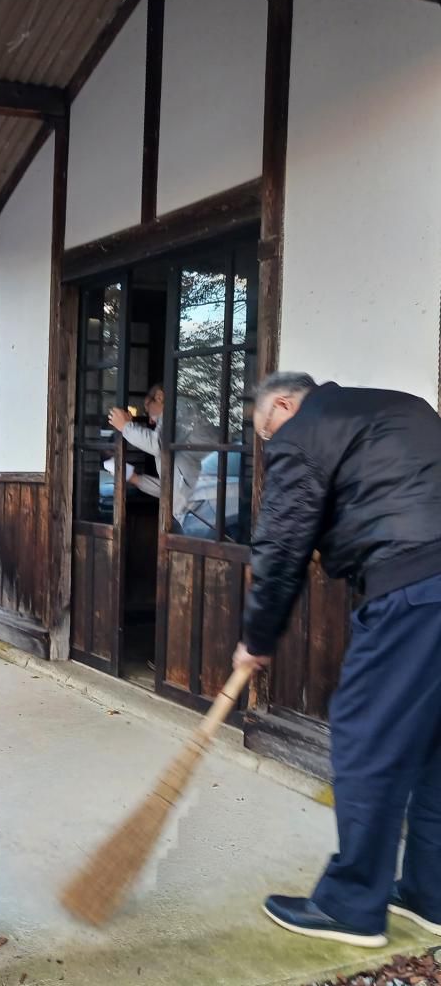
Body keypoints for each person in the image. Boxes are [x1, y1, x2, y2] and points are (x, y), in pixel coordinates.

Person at [234, 372, 441, 948]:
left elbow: (281, 545)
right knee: (433, 744)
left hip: (416, 590)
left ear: (281, 403)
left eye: (265, 430)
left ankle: (351, 906)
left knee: (366, 738)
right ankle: (431, 894)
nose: (270, 444)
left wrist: (257, 638)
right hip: (430, 581)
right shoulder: (404, 405)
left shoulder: (304, 430)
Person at [109, 384, 218, 529]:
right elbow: (169, 489)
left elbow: (157, 445)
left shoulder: (181, 406)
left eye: (148, 410)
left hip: (204, 509)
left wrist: (125, 426)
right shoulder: (177, 433)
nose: (150, 421)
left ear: (159, 397)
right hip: (195, 511)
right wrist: (136, 480)